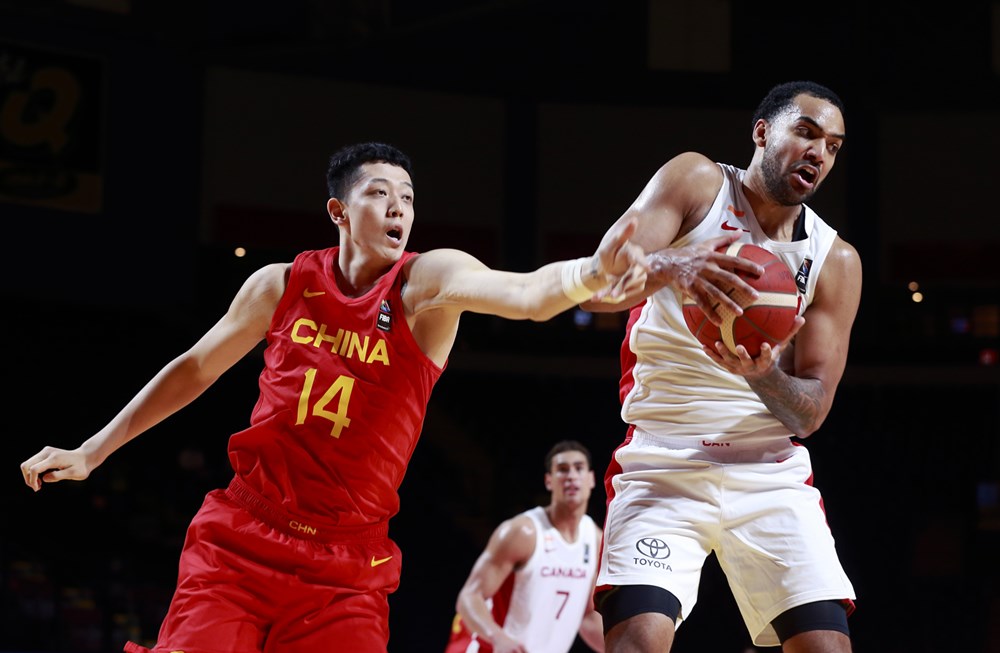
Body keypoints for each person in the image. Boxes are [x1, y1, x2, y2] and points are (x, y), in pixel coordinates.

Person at [18, 142, 655, 653]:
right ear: (339, 212)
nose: (399, 209)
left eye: (408, 197)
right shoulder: (280, 284)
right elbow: (194, 369)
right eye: (379, 195)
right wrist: (93, 451)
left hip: (346, 566)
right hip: (242, 537)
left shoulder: (425, 285)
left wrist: (592, 272)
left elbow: (525, 295)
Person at [584, 81, 862, 653]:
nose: (819, 153)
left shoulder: (834, 260)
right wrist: (673, 264)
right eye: (806, 133)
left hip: (768, 469)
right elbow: (594, 287)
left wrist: (762, 375)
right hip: (665, 456)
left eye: (833, 146)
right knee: (635, 643)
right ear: (762, 132)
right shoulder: (697, 182)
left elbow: (809, 414)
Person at [445, 440, 605, 653]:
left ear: (591, 479)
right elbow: (469, 597)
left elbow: (586, 615)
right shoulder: (522, 532)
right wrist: (498, 638)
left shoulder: (594, 539)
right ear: (549, 481)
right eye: (562, 470)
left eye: (579, 468)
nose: (571, 476)